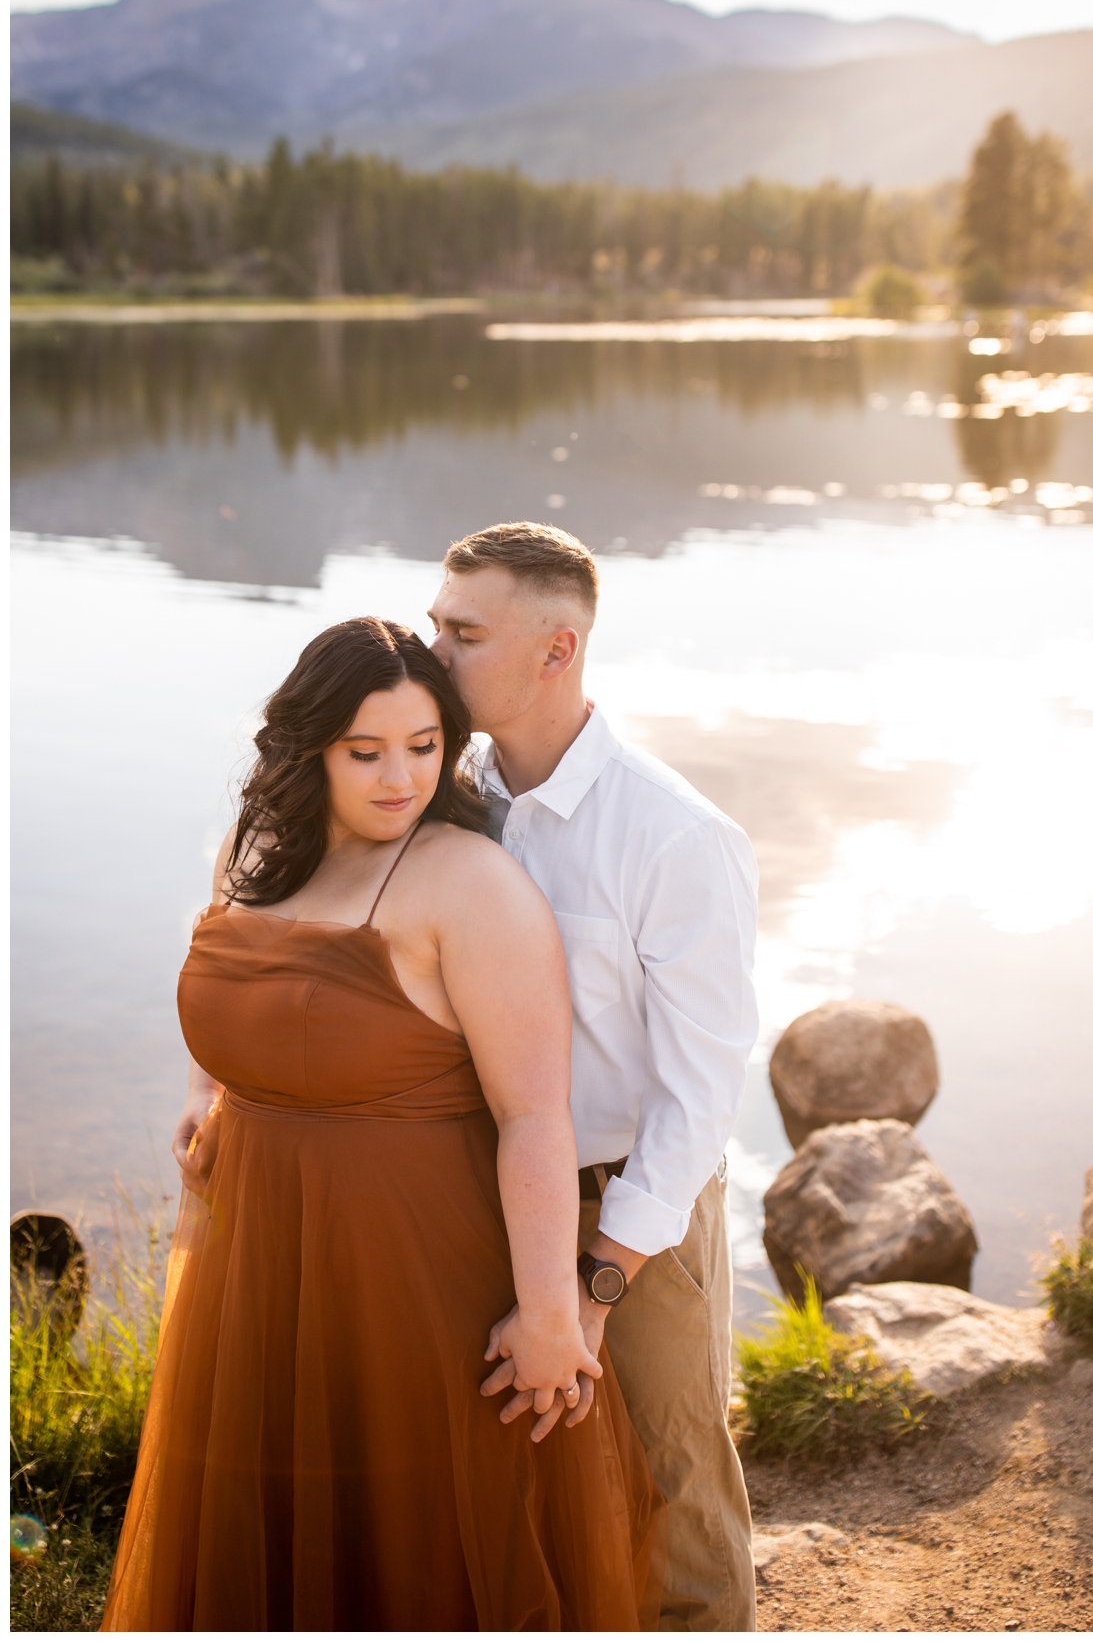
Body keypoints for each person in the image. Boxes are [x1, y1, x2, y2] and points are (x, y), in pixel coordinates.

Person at [113, 618, 659, 1629]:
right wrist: (207, 1089)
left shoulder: (468, 883)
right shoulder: (256, 845)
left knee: (414, 1536)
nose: (399, 778)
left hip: (413, 1266)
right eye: (366, 752)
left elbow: (535, 1114)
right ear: (306, 745)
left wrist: (550, 1311)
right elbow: (232, 986)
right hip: (258, 1251)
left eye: (425, 746)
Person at [427, 522, 762, 1632]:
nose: (435, 654)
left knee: (674, 1486)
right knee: (513, 1478)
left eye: (463, 633)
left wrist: (599, 1279)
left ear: (555, 650)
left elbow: (701, 1093)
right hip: (478, 1197)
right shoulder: (441, 799)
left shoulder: (674, 836)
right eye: (435, 625)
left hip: (636, 1213)